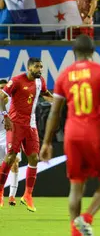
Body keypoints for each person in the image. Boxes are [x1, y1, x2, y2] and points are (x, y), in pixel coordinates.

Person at [40, 35, 100, 236]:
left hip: (72, 134)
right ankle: (86, 218)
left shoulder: (64, 75)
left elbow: (54, 112)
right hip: (95, 134)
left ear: (74, 53)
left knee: (76, 186)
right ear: (93, 52)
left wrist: (46, 142)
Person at [0, 58, 53, 210]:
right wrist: (6, 116)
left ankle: (27, 195)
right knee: (10, 156)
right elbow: (1, 97)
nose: (40, 69)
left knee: (34, 158)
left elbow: (46, 94)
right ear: (29, 67)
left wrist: (58, 101)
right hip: (15, 124)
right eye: (37, 67)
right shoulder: (17, 81)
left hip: (31, 124)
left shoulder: (40, 81)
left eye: (41, 67)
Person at [0, 79, 20, 207]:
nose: (2, 91)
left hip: (11, 137)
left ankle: (12, 195)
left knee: (15, 164)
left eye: (4, 88)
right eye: (0, 88)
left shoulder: (15, 103)